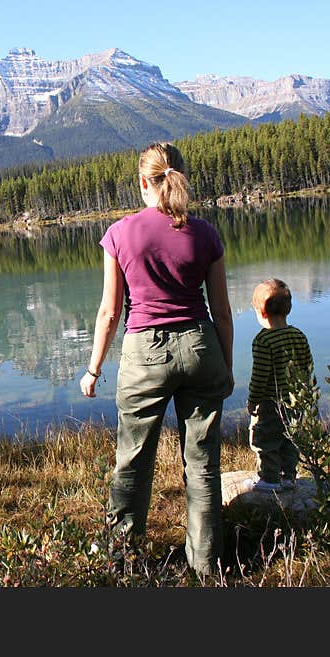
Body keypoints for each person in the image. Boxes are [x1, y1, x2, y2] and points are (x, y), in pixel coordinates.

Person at [80, 142, 234, 577]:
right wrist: (226, 366)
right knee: (203, 464)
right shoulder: (205, 234)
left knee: (132, 459)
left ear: (144, 182)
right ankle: (207, 569)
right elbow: (221, 311)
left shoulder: (120, 233)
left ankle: (124, 563)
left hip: (144, 352)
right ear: (179, 176)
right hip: (201, 347)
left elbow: (110, 312)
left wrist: (93, 369)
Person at [243, 278, 314, 493]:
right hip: (295, 400)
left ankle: (270, 479)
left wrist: (253, 400)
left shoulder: (263, 340)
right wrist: (306, 394)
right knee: (289, 439)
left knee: (265, 439)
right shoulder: (298, 335)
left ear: (262, 313)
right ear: (288, 308)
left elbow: (260, 375)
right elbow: (308, 366)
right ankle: (288, 476)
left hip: (270, 402)